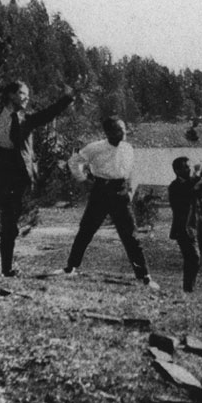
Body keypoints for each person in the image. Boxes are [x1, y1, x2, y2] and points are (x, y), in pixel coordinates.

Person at [0, 80, 74, 277]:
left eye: (27, 94)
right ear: (11, 95)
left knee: (10, 222)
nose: (27, 98)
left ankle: (7, 268)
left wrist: (68, 98)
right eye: (22, 93)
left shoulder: (27, 119)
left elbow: (48, 113)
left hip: (16, 174)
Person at [64, 116, 159, 290]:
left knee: (131, 235)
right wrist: (83, 179)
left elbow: (131, 170)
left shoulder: (128, 148)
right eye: (118, 129)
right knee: (86, 230)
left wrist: (130, 190)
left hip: (120, 192)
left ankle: (144, 276)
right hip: (100, 190)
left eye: (124, 129)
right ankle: (70, 267)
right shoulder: (95, 147)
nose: (123, 132)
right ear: (107, 132)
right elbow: (74, 162)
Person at [168, 157, 202, 292]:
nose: (188, 169)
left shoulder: (192, 181)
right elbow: (181, 203)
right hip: (184, 227)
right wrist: (195, 188)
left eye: (189, 167)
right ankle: (188, 288)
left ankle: (189, 288)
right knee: (193, 257)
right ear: (177, 170)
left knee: (195, 260)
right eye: (185, 167)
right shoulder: (174, 186)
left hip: (198, 226)